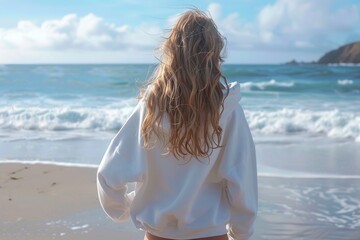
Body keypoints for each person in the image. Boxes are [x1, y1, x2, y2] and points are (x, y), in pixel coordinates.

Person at [97, 9, 257, 240]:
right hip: (211, 235)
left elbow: (108, 175)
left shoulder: (151, 107)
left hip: (157, 235)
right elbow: (243, 181)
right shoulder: (228, 109)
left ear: (172, 51)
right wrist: (240, 235)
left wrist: (124, 209)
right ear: (214, 54)